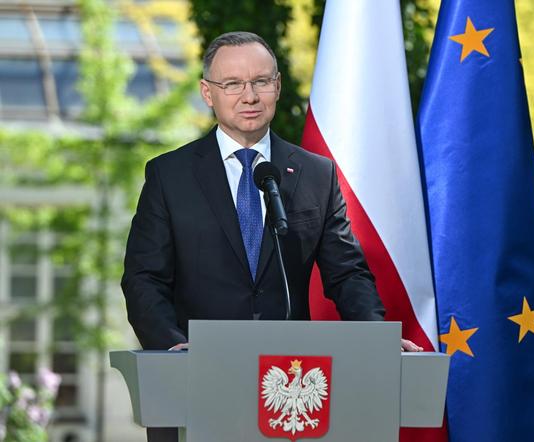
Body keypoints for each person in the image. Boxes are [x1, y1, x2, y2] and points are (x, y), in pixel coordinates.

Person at [121, 31, 421, 441]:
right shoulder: (169, 175)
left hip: (290, 391)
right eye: (233, 84)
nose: (250, 96)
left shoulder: (316, 174)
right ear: (208, 93)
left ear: (277, 87)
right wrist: (172, 348)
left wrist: (377, 336)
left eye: (261, 81)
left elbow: (346, 272)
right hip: (196, 382)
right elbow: (143, 278)